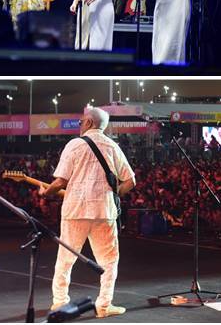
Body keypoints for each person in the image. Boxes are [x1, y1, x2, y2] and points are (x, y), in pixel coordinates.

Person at [39, 107, 135, 318]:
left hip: (76, 211)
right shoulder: (112, 146)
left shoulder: (74, 145)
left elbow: (60, 181)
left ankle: (59, 303)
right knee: (109, 261)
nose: (79, 124)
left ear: (90, 123)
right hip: (104, 211)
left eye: (81, 121)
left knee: (65, 259)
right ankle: (103, 305)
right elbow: (130, 180)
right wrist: (113, 194)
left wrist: (46, 193)